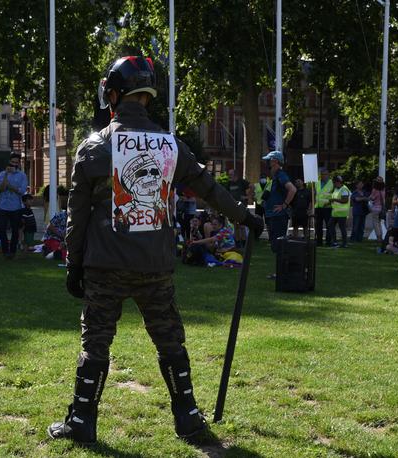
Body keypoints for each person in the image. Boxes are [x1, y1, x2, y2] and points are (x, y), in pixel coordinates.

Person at [47, 55, 262, 444]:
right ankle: (190, 420)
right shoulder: (170, 146)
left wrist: (72, 266)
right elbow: (209, 189)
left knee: (95, 341)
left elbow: (76, 219)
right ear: (147, 96)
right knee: (169, 340)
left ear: (113, 94)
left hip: (105, 264)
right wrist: (244, 218)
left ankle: (81, 421)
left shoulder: (94, 147)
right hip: (155, 264)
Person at [262, 150, 296, 278]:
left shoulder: (281, 175)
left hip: (278, 217)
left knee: (279, 246)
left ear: (275, 161)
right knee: (276, 246)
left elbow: (292, 189)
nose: (267, 163)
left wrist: (284, 205)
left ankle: (282, 272)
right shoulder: (275, 177)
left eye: (268, 161)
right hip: (273, 216)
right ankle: (280, 272)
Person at [0, 156, 28, 259]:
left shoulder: (22, 175)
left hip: (16, 207)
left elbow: (22, 191)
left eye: (16, 163)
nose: (13, 165)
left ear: (19, 164)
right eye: (12, 163)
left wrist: (10, 187)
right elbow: (1, 188)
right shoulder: (2, 173)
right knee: (2, 229)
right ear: (9, 163)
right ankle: (5, 251)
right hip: (3, 206)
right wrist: (6, 174)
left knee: (15, 230)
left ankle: (13, 251)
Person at [226, 169, 250, 247]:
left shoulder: (242, 182)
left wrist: (247, 197)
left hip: (241, 206)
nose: (229, 176)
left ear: (235, 174)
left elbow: (252, 187)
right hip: (233, 206)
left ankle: (244, 241)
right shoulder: (229, 183)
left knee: (242, 225)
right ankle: (237, 242)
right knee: (235, 225)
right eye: (229, 174)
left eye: (231, 174)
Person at [328, 176, 351, 248]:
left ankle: (344, 243)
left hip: (342, 213)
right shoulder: (336, 189)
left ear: (338, 182)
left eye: (334, 183)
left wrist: (334, 200)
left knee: (342, 228)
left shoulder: (344, 189)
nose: (333, 184)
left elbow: (345, 200)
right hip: (335, 212)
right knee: (330, 225)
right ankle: (334, 242)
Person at [314, 168, 334, 246]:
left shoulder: (332, 183)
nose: (323, 176)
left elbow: (335, 195)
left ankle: (328, 242)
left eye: (325, 174)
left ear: (328, 175)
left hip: (328, 207)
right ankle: (319, 242)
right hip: (318, 207)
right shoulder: (317, 183)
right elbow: (315, 194)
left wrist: (330, 203)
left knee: (328, 225)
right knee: (318, 226)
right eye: (322, 174)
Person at [367, 176, 386, 247]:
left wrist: (368, 198)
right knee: (379, 223)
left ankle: (379, 238)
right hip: (381, 208)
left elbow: (372, 198)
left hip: (375, 208)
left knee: (376, 224)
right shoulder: (383, 190)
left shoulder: (374, 190)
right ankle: (380, 237)